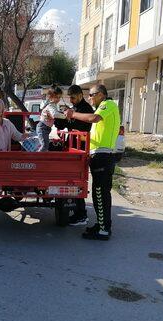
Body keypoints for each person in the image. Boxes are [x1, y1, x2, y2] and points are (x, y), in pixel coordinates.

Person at [65, 84, 121, 241]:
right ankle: (102, 224)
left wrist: (73, 114)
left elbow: (93, 118)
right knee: (98, 195)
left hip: (103, 156)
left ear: (101, 94)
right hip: (99, 155)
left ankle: (103, 230)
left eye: (92, 95)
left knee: (101, 194)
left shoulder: (107, 104)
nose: (89, 98)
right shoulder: (103, 107)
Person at [64, 85, 94, 227]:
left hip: (80, 150)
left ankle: (81, 215)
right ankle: (78, 213)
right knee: (71, 182)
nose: (71, 100)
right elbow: (68, 124)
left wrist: (72, 121)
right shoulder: (75, 107)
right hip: (73, 148)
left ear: (80, 95)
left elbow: (85, 128)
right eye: (70, 97)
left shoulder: (86, 109)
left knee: (76, 183)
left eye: (73, 97)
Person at [38, 87, 64, 151]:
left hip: (45, 128)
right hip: (43, 127)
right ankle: (36, 158)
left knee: (45, 145)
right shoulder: (50, 106)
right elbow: (55, 115)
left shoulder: (54, 105)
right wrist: (65, 116)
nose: (58, 99)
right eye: (56, 97)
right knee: (44, 145)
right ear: (50, 97)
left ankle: (39, 157)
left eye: (59, 97)